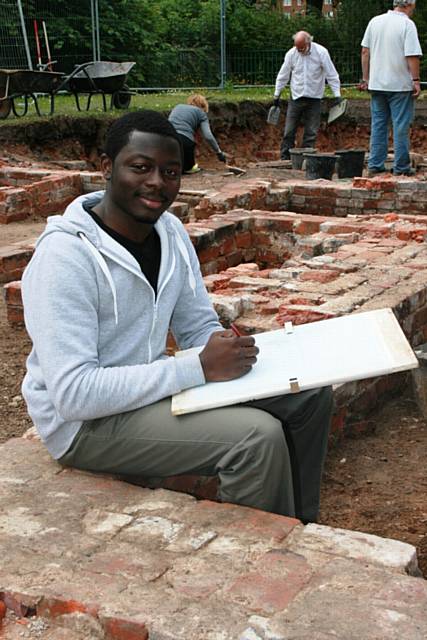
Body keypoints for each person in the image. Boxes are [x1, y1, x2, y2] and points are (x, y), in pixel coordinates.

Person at [21, 110, 333, 524]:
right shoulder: (65, 257)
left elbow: (196, 325)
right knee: (256, 439)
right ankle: (254, 559)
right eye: (140, 167)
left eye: (170, 171)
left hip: (147, 389)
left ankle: (298, 528)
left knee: (310, 396)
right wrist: (198, 368)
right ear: (106, 168)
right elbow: (75, 394)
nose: (157, 183)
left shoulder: (169, 232)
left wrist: (224, 345)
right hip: (84, 426)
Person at [360, 0, 422, 177]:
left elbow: (365, 52)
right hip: (399, 85)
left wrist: (366, 78)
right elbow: (412, 55)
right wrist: (416, 80)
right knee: (400, 125)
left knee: (378, 124)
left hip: (377, 84)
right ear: (408, 5)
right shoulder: (407, 24)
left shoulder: (375, 21)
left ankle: (375, 164)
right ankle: (401, 167)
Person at [273, 31, 341, 160]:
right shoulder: (291, 54)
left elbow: (331, 74)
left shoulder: (321, 53)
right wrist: (277, 95)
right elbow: (283, 76)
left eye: (302, 48)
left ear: (308, 43)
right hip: (296, 97)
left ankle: (307, 159)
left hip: (314, 98)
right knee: (289, 130)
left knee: (311, 132)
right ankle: (285, 157)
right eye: (297, 48)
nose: (299, 51)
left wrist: (337, 95)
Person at [168, 94, 227, 173]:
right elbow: (208, 136)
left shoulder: (178, 106)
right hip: (185, 141)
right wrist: (219, 152)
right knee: (188, 168)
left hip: (166, 140)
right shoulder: (201, 114)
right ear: (203, 106)